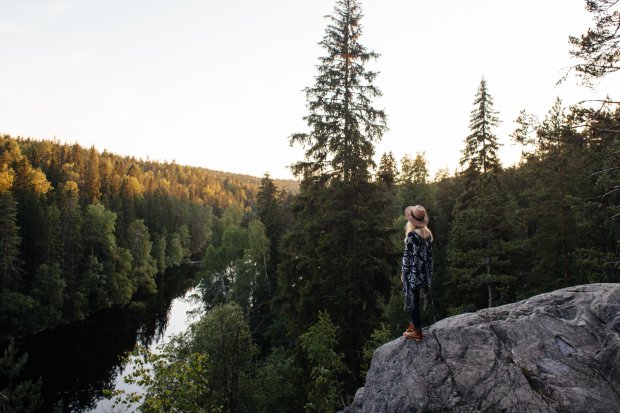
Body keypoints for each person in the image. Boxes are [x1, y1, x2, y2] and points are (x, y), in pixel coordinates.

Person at [401, 204, 433, 341]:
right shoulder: (428, 235)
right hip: (424, 274)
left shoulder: (411, 236)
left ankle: (417, 331)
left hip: (413, 274)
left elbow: (407, 257)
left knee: (413, 300)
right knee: (416, 299)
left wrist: (403, 274)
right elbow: (430, 257)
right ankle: (413, 324)